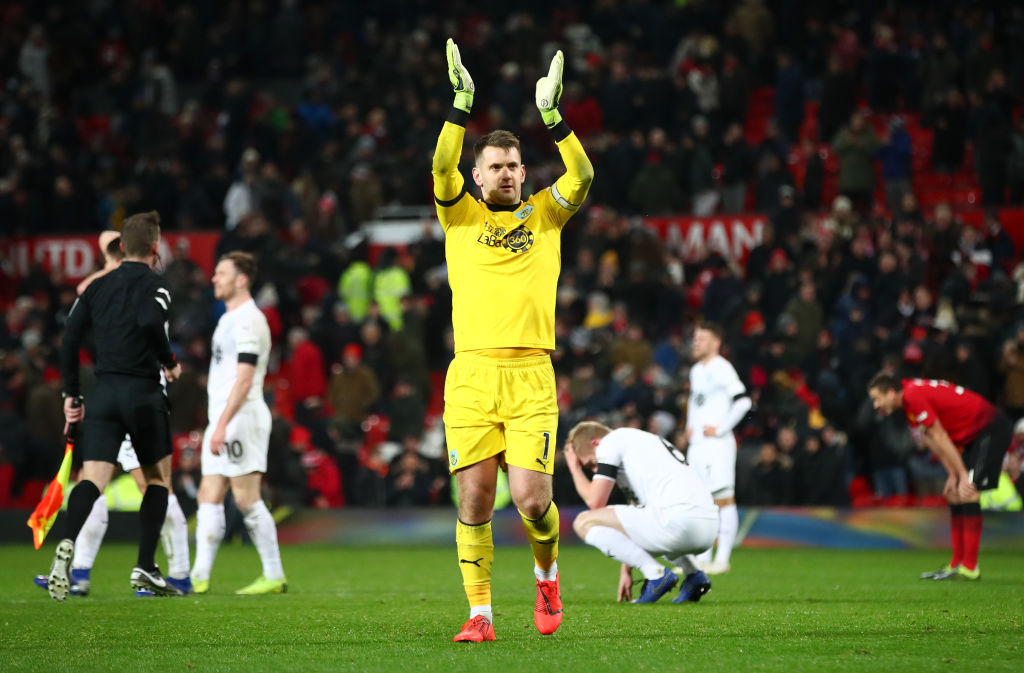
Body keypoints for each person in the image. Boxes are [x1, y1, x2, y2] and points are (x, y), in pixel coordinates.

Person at [434, 39, 593, 643]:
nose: (504, 173)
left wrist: (554, 118)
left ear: (524, 173)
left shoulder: (545, 216)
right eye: (493, 166)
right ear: (478, 176)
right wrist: (460, 107)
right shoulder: (460, 217)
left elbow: (581, 174)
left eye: (512, 166)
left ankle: (546, 575)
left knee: (529, 501)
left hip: (530, 374)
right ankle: (481, 615)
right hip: (471, 375)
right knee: (474, 500)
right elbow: (439, 169)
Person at [35, 231, 192, 597]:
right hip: (138, 398)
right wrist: (170, 361)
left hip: (115, 395)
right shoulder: (138, 285)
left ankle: (181, 573)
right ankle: (85, 572)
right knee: (128, 485)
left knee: (126, 484)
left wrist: (71, 392)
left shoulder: (115, 287)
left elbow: (80, 312)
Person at [190, 251, 286, 594]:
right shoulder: (227, 318)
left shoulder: (249, 319)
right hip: (225, 418)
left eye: (221, 273)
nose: (214, 279)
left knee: (246, 497)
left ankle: (274, 574)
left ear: (241, 279)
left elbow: (244, 380)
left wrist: (221, 424)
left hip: (241, 418)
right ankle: (198, 577)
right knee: (209, 492)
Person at [867, 373, 1012, 580]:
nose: (875, 404)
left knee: (968, 492)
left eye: (877, 398)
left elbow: (940, 436)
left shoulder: (913, 395)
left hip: (990, 429)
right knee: (954, 494)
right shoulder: (909, 399)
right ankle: (956, 564)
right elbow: (932, 439)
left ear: (890, 393)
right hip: (974, 435)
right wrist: (952, 475)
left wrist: (962, 474)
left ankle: (970, 568)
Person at [564, 422, 718, 604]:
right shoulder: (639, 444)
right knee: (654, 520)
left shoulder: (610, 442)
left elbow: (595, 502)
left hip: (679, 522)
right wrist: (626, 569)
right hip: (708, 527)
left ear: (596, 443)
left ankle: (656, 574)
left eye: (591, 464)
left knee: (583, 522)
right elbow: (636, 521)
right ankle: (694, 575)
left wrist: (574, 468)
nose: (596, 471)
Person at [683, 323, 751, 574]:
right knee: (701, 502)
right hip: (698, 445)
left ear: (716, 343)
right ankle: (702, 559)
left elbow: (743, 402)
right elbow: (695, 401)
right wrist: (690, 426)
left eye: (702, 338)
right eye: (695, 338)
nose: (696, 342)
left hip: (716, 445)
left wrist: (722, 428)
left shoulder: (722, 368)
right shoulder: (696, 370)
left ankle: (722, 559)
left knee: (723, 500)